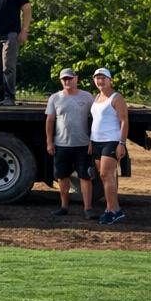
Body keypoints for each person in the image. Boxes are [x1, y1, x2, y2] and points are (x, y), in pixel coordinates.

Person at [44, 68, 95, 218]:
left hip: (82, 144)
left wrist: (92, 140)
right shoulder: (55, 98)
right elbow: (50, 120)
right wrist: (49, 141)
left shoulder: (87, 97)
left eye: (70, 78)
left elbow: (94, 119)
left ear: (76, 79)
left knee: (85, 177)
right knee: (62, 176)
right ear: (61, 80)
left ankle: (88, 209)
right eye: (64, 79)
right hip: (61, 145)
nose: (67, 81)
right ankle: (64, 207)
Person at [90, 68, 130, 224]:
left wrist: (122, 143)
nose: (100, 81)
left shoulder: (116, 98)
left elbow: (124, 121)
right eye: (97, 78)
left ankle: (111, 210)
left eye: (103, 78)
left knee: (106, 175)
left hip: (111, 141)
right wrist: (90, 141)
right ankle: (115, 208)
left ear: (110, 80)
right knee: (103, 176)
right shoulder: (96, 98)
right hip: (96, 142)